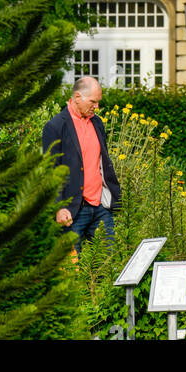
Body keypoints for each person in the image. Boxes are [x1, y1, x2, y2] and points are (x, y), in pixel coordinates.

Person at [42, 75, 121, 251]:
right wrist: (58, 208)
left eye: (98, 102)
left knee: (108, 262)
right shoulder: (54, 127)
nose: (97, 106)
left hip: (100, 207)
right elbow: (50, 171)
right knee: (71, 268)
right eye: (93, 101)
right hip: (72, 210)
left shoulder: (97, 123)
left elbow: (102, 161)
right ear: (77, 97)